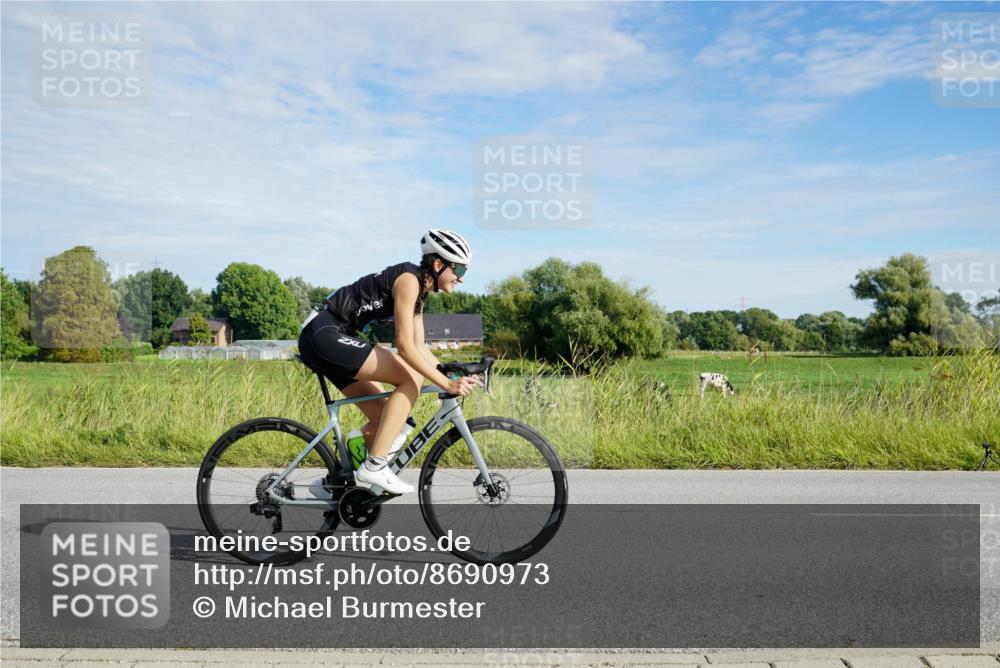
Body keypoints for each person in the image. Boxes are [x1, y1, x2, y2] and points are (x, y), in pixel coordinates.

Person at [297, 229, 482, 495]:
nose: (461, 279)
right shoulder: (409, 281)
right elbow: (405, 348)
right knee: (409, 380)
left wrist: (451, 376)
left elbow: (420, 347)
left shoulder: (419, 291)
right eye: (460, 271)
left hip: (329, 338)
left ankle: (336, 483)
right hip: (325, 334)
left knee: (391, 421)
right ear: (438, 264)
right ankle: (374, 466)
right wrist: (446, 384)